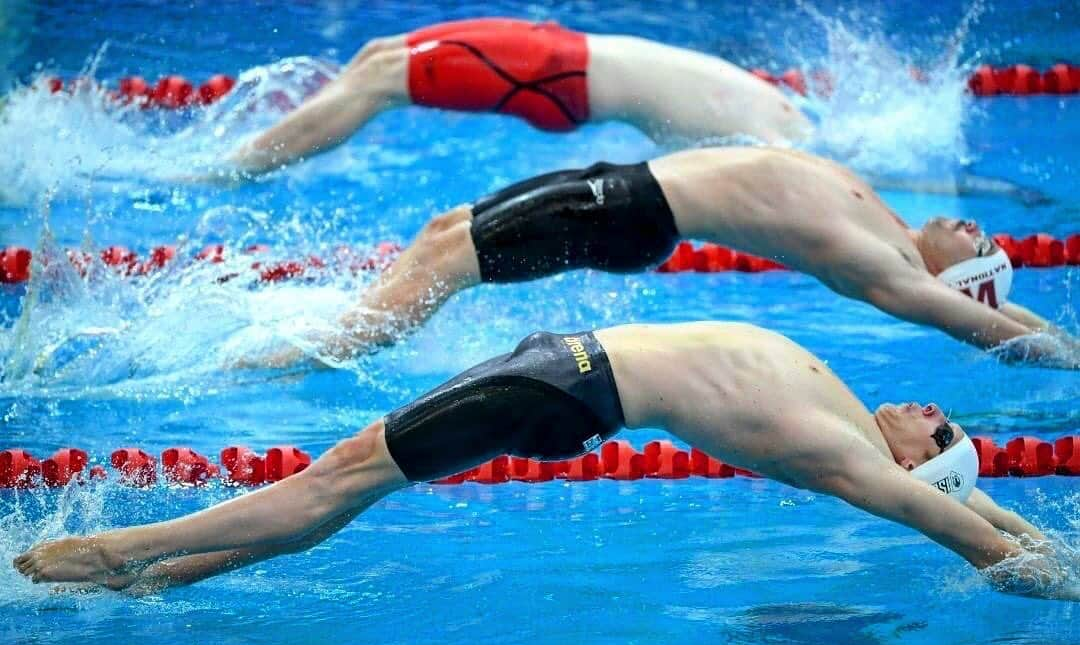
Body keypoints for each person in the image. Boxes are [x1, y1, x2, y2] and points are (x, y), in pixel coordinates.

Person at [14, 322, 1075, 599]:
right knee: (346, 486)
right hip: (559, 369)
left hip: (562, 387)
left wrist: (1045, 560)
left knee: (338, 478)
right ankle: (173, 569)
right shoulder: (849, 415)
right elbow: (983, 516)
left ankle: (124, 552)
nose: (931, 408)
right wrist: (1035, 528)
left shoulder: (852, 459)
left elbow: (964, 530)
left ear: (922, 464)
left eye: (944, 433)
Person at [253, 146, 1078, 369]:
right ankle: (334, 327)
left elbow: (975, 321)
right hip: (621, 188)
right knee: (442, 236)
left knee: (446, 265)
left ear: (953, 277)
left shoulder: (888, 266)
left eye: (982, 247)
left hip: (630, 211)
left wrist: (1064, 361)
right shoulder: (895, 224)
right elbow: (994, 304)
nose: (977, 231)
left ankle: (299, 356)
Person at [223, 18, 812, 178]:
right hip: (560, 54)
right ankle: (263, 149)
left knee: (381, 80)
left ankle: (239, 167)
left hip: (557, 73)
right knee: (380, 54)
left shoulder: (779, 136)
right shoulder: (788, 127)